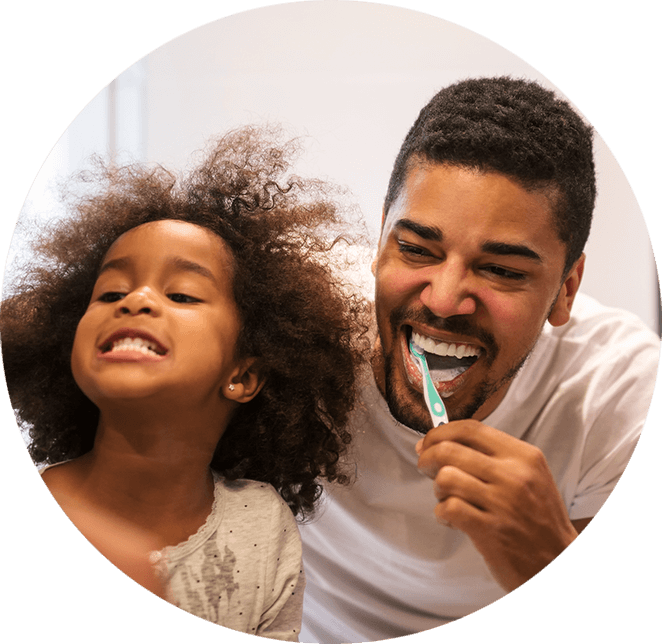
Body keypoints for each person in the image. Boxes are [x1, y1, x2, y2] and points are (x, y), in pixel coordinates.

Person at [298, 76, 660, 642]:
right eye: (416, 249)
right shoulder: (295, 323)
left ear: (565, 290)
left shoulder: (618, 390)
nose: (443, 299)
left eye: (502, 270)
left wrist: (546, 553)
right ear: (379, 244)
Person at [1, 126, 370, 639]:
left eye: (182, 295)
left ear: (243, 375)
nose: (136, 300)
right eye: (109, 293)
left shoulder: (263, 526)